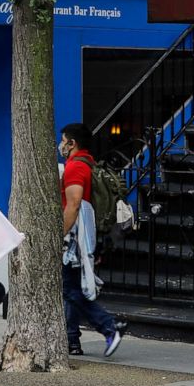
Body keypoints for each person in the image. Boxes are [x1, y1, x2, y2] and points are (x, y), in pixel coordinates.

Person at [59, 122, 122, 357]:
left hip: (74, 238)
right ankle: (71, 341)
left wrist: (61, 235)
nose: (61, 145)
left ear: (72, 143)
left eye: (64, 140)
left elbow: (74, 204)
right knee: (71, 288)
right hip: (82, 235)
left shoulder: (75, 167)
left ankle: (109, 327)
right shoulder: (88, 163)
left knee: (71, 291)